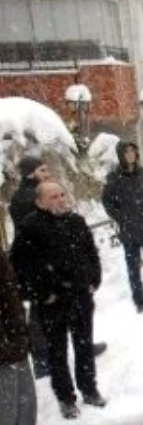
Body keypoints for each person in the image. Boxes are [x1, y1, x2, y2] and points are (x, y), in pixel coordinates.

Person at [10, 182, 105, 420]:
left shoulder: (76, 222)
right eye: (54, 197)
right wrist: (41, 294)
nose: (61, 200)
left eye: (62, 195)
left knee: (84, 345)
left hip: (80, 295)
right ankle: (66, 398)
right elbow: (20, 268)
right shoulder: (30, 228)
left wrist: (94, 279)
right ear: (40, 202)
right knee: (57, 352)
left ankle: (89, 389)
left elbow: (91, 253)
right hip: (52, 302)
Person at [0, 250, 53, 425]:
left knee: (25, 395)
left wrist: (20, 327)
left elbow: (9, 290)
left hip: (14, 329)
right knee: (5, 399)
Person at [102, 142, 143, 313]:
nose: (131, 154)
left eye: (133, 151)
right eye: (127, 152)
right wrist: (122, 218)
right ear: (120, 155)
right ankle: (139, 302)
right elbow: (107, 202)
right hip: (130, 232)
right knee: (134, 270)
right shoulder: (114, 179)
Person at [9, 156, 54, 378]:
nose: (47, 174)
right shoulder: (27, 197)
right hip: (36, 263)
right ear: (30, 173)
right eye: (42, 170)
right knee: (40, 311)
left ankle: (48, 356)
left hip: (39, 261)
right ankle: (42, 361)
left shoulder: (30, 194)